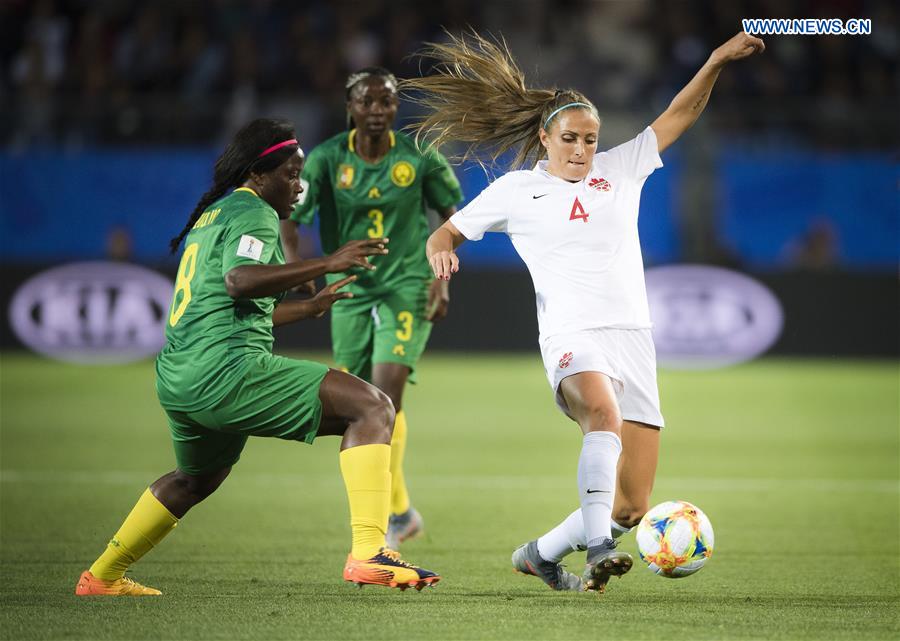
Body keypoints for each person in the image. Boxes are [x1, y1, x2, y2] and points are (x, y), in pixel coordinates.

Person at [408, 30, 764, 593]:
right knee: (602, 415)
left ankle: (541, 555)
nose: (580, 149)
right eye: (570, 138)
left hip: (634, 338)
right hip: (571, 335)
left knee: (630, 507)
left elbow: (681, 113)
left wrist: (717, 60)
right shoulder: (515, 190)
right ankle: (599, 550)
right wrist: (442, 255)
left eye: (590, 140)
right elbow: (444, 235)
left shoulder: (622, 171)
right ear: (545, 136)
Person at [75, 118, 440, 596]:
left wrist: (307, 307)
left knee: (195, 479)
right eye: (290, 173)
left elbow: (229, 305)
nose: (299, 185)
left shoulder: (214, 215)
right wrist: (326, 261)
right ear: (257, 174)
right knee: (373, 407)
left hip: (180, 376)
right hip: (224, 371)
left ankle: (101, 577)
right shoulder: (253, 212)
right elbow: (240, 281)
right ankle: (369, 552)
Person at [281, 67, 463, 549]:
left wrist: (441, 278)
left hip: (407, 282)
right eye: (368, 102)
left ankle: (386, 519)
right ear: (351, 107)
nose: (378, 111)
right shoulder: (324, 161)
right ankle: (401, 509)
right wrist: (302, 271)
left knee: (387, 395)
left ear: (396, 107)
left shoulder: (419, 157)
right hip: (349, 290)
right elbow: (290, 221)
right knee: (357, 402)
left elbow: (453, 215)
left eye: (386, 102)